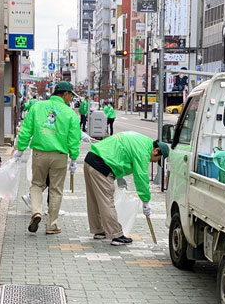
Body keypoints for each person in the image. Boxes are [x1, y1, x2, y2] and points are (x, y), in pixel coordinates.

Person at [14, 81, 81, 234]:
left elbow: (26, 129)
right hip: (60, 156)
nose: (71, 99)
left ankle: (36, 212)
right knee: (56, 190)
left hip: (39, 153)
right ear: (65, 94)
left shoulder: (37, 107)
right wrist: (74, 158)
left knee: (37, 185)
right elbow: (73, 139)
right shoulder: (70, 113)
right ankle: (51, 225)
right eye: (70, 96)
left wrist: (20, 149)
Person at [83, 131, 169, 246]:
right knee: (106, 201)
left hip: (90, 159)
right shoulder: (143, 151)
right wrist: (146, 201)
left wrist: (120, 177)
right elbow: (141, 177)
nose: (152, 162)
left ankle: (99, 230)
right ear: (156, 151)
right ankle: (116, 235)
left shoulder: (141, 139)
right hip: (102, 166)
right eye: (156, 160)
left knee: (94, 199)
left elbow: (121, 151)